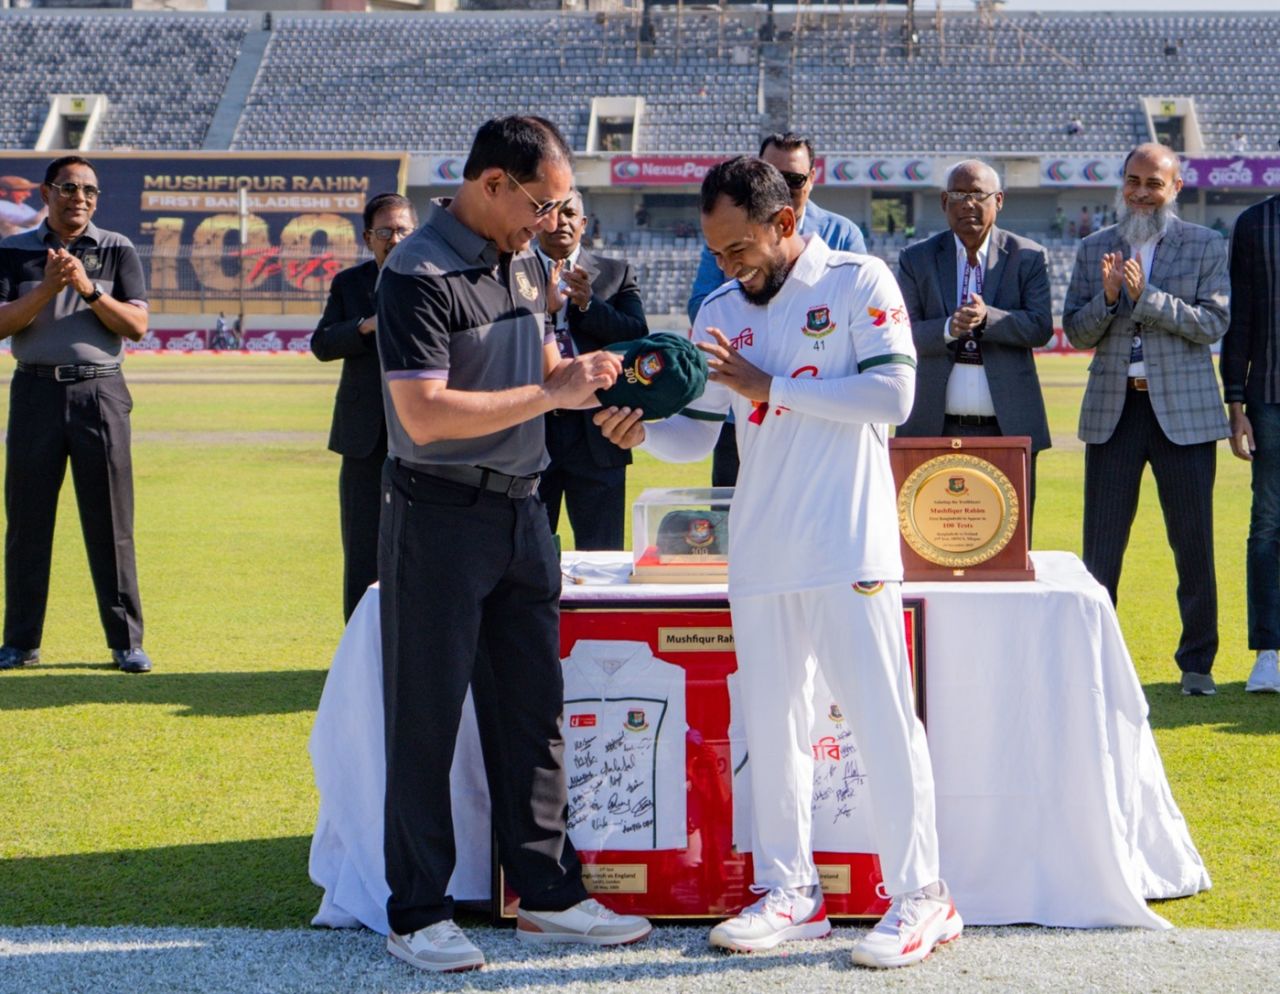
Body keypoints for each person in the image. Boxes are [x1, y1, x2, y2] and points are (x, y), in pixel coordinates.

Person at [596, 156, 960, 968]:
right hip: (760, 552)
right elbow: (698, 430)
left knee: (879, 724)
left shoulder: (860, 281)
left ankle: (923, 897)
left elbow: (892, 399)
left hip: (848, 543)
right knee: (770, 726)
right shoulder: (723, 308)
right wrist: (642, 432)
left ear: (785, 223)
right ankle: (792, 894)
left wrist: (772, 388)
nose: (727, 268)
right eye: (716, 252)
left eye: (738, 249)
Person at [374, 116, 651, 972]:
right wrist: (552, 395)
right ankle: (417, 913)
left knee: (535, 716)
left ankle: (550, 894)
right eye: (540, 203)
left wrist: (599, 398)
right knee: (425, 718)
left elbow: (544, 377)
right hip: (438, 511)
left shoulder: (528, 261)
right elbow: (423, 412)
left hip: (525, 512)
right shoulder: (416, 271)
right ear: (491, 183)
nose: (548, 222)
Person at [1063, 143, 1230, 697]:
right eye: (1133, 180)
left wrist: (1147, 297)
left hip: (1183, 415)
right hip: (1115, 410)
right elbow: (1078, 331)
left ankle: (1197, 664)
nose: (1140, 191)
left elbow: (1212, 324)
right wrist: (1109, 298)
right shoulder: (1095, 249)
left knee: (1193, 543)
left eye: (1153, 183)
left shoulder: (1205, 245)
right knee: (1102, 547)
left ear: (1175, 187)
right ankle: (1095, 661)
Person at [0, 155, 152, 674]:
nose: (80, 197)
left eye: (89, 190)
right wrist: (48, 287)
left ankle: (126, 642)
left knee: (112, 524)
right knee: (26, 521)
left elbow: (135, 325)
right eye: (69, 187)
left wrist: (88, 287)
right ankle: (20, 642)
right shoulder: (14, 251)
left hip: (101, 394)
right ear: (46, 194)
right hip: (35, 393)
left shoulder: (116, 248)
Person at [687, 132, 867, 488]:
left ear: (812, 179)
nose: (783, 185)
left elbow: (871, 361)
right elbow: (704, 306)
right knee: (732, 515)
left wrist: (772, 382)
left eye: (795, 179)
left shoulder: (845, 240)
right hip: (738, 417)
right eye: (772, 174)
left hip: (823, 423)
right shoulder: (728, 242)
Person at [895, 160, 1053, 533]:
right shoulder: (916, 259)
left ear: (998, 200)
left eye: (978, 195)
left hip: (1007, 426)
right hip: (933, 424)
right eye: (958, 195)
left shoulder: (1027, 256)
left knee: (1010, 540)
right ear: (943, 202)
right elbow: (902, 334)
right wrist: (949, 327)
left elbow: (1040, 327)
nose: (968, 204)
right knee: (929, 537)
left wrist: (989, 319)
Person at [311, 192, 416, 621]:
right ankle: (358, 649)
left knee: (421, 546)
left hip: (422, 433)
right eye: (385, 231)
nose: (395, 239)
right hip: (363, 437)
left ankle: (415, 646)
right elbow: (322, 344)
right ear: (368, 237)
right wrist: (365, 326)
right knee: (361, 550)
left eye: (403, 230)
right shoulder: (349, 284)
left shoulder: (436, 279)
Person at [533, 190, 648, 550]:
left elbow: (636, 336)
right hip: (531, 430)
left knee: (603, 556)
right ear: (538, 220)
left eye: (571, 214)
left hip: (599, 435)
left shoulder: (615, 272)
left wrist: (588, 305)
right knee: (525, 555)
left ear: (583, 224)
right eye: (553, 212)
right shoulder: (510, 273)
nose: (562, 221)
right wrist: (545, 311)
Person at [1221, 192, 1280, 693]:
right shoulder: (1255, 224)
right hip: (1270, 399)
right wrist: (1236, 403)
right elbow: (1240, 319)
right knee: (1268, 524)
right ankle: (1268, 654)